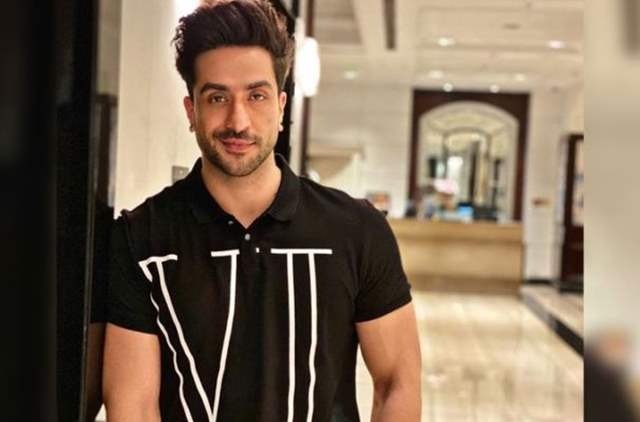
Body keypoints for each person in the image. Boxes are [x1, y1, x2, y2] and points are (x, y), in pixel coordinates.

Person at [102, 1, 421, 421]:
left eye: (256, 96)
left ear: (281, 106)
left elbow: (397, 381)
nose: (238, 121)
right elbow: (135, 407)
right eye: (217, 97)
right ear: (191, 110)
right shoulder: (141, 238)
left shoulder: (356, 230)